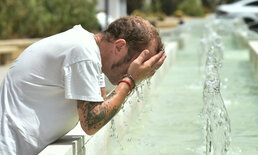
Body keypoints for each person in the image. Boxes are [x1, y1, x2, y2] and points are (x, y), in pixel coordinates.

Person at [0, 16, 166, 154]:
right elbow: (92, 122)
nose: (137, 68)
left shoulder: (88, 49)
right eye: (137, 62)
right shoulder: (83, 52)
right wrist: (131, 80)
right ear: (120, 46)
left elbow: (101, 103)